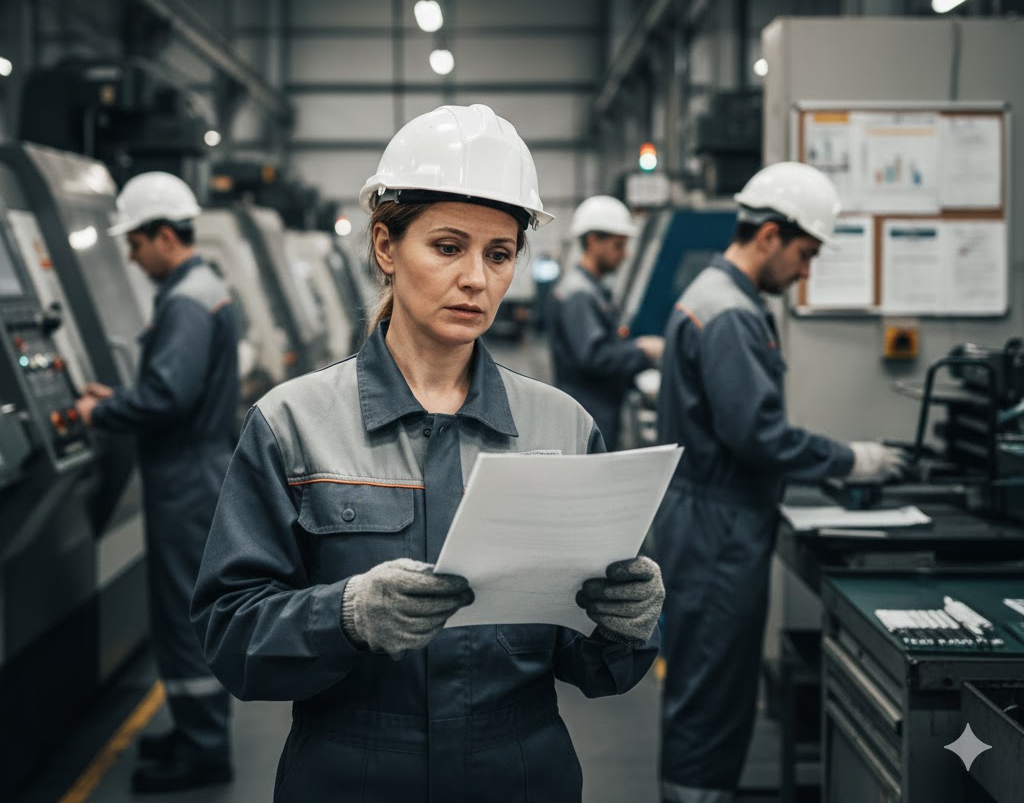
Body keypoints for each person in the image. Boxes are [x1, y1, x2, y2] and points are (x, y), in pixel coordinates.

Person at [190, 104, 665, 803]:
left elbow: (594, 663)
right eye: (448, 247)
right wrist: (345, 616)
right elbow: (232, 636)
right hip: (351, 772)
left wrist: (628, 625)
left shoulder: (561, 427)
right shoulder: (293, 424)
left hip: (519, 773)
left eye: (498, 254)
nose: (476, 278)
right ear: (386, 246)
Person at [652, 161, 906, 803]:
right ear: (769, 235)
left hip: (709, 518)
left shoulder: (712, 294)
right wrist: (854, 460)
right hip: (718, 530)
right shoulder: (732, 314)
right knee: (712, 687)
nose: (805, 271)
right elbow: (758, 435)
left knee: (707, 682)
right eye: (804, 253)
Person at [75, 172, 239, 794]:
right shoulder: (204, 289)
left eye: (135, 243)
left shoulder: (185, 300)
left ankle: (202, 751)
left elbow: (169, 396)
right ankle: (195, 731)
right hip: (196, 467)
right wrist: (121, 396)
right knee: (185, 608)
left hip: (185, 477)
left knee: (181, 613)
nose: (132, 257)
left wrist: (102, 412)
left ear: (164, 236)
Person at [548, 194, 664, 450]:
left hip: (597, 410)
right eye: (618, 245)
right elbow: (594, 357)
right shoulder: (579, 295)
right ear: (593, 241)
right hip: (589, 413)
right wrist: (642, 351)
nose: (624, 255)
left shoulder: (592, 290)